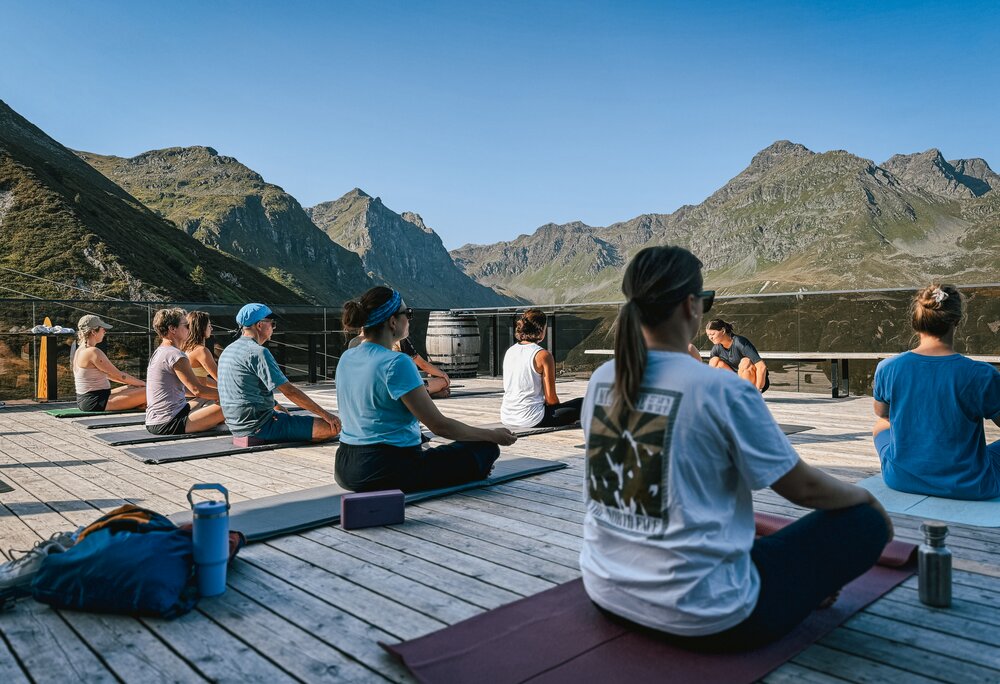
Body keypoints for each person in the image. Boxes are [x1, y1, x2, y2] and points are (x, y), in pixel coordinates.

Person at [580, 245, 891, 651]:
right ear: (692, 306)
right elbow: (803, 490)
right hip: (713, 615)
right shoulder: (720, 389)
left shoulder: (603, 379)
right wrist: (867, 498)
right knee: (863, 522)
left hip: (608, 592)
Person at [335, 286, 516, 492]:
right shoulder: (397, 362)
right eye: (407, 313)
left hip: (344, 467)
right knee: (485, 449)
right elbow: (440, 427)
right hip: (386, 468)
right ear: (393, 322)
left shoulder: (347, 357)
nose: (410, 318)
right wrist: (493, 435)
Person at [873, 285, 1000, 500]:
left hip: (900, 479)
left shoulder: (887, 367)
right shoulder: (981, 374)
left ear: (916, 322)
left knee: (882, 424)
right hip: (970, 484)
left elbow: (882, 413)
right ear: (957, 321)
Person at [217, 303, 340, 443]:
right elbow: (289, 391)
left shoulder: (229, 350)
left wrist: (274, 403)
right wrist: (327, 415)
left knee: (292, 418)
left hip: (236, 424)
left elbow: (244, 386)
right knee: (332, 427)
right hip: (259, 425)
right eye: (272, 323)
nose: (274, 328)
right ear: (259, 325)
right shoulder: (258, 352)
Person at [145, 308, 225, 436]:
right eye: (186, 325)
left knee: (211, 401)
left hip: (156, 419)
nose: (190, 329)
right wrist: (232, 396)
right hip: (170, 422)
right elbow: (198, 390)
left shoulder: (161, 351)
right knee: (236, 403)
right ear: (172, 329)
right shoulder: (175, 355)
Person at [500, 309, 582, 428]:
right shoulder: (543, 355)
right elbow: (551, 399)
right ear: (541, 330)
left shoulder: (510, 351)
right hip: (532, 418)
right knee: (584, 403)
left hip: (507, 416)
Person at [72, 314, 146, 412]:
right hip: (95, 402)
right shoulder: (92, 352)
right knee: (153, 390)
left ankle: (139, 402)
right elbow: (120, 375)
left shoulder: (80, 350)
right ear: (94, 332)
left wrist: (138, 385)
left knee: (135, 387)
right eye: (102, 329)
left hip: (92, 399)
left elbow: (110, 375)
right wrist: (144, 384)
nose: (104, 332)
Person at [706, 318, 769, 393]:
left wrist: (758, 389)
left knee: (745, 361)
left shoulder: (740, 342)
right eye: (708, 335)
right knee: (714, 361)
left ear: (723, 331)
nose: (710, 337)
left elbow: (761, 367)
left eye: (712, 334)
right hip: (737, 381)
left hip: (755, 381)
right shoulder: (716, 348)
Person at [181, 311, 219, 387]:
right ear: (202, 328)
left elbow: (200, 378)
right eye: (209, 325)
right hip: (197, 396)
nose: (211, 328)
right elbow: (220, 378)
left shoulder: (185, 348)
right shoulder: (201, 351)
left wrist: (218, 387)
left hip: (189, 395)